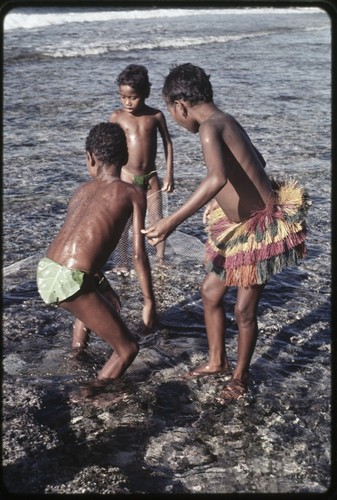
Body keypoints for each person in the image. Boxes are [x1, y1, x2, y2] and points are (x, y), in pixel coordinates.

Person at [143, 63, 309, 401]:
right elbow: (255, 161)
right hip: (236, 225)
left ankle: (240, 377)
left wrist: (171, 220)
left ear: (180, 105)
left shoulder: (209, 128)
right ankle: (217, 361)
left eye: (174, 114)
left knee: (244, 311)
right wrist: (226, 202)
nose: (177, 121)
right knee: (210, 292)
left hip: (258, 230)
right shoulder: (226, 121)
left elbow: (216, 177)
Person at [36, 122, 156, 394]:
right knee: (128, 349)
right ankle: (87, 397)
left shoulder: (81, 191)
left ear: (90, 157)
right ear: (125, 158)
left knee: (108, 300)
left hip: (47, 270)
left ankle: (77, 354)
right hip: (71, 279)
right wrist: (149, 301)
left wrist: (104, 286)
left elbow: (77, 246)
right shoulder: (133, 193)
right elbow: (138, 254)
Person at [109, 64, 174, 270]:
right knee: (125, 223)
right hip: (127, 177)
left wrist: (169, 173)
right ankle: (122, 261)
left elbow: (168, 143)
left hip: (152, 177)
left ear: (145, 93)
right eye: (123, 97)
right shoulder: (117, 117)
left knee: (157, 219)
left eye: (133, 97)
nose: (127, 102)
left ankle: (160, 259)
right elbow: (110, 147)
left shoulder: (155, 116)